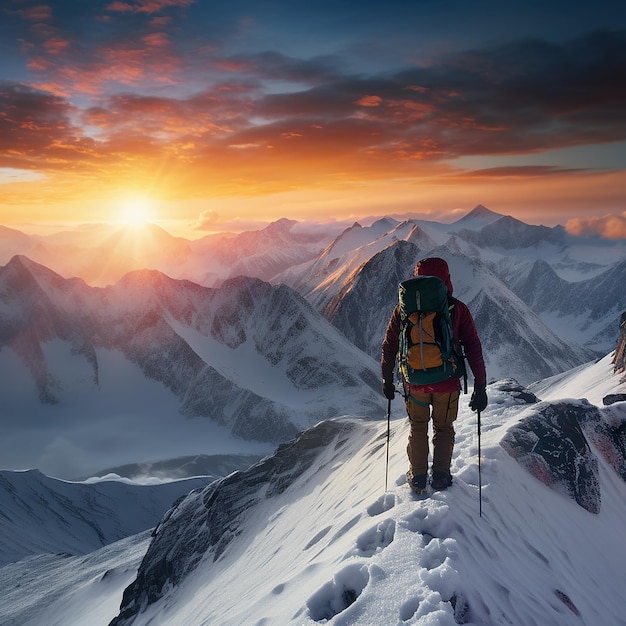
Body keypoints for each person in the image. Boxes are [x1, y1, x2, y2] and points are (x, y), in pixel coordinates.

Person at [381, 257, 487, 493]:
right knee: (444, 428)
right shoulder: (457, 309)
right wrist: (481, 387)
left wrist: (387, 379)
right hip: (447, 383)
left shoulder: (403, 309)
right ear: (447, 280)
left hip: (415, 382)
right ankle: (440, 475)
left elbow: (389, 345)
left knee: (418, 427)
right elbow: (473, 347)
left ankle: (417, 477)